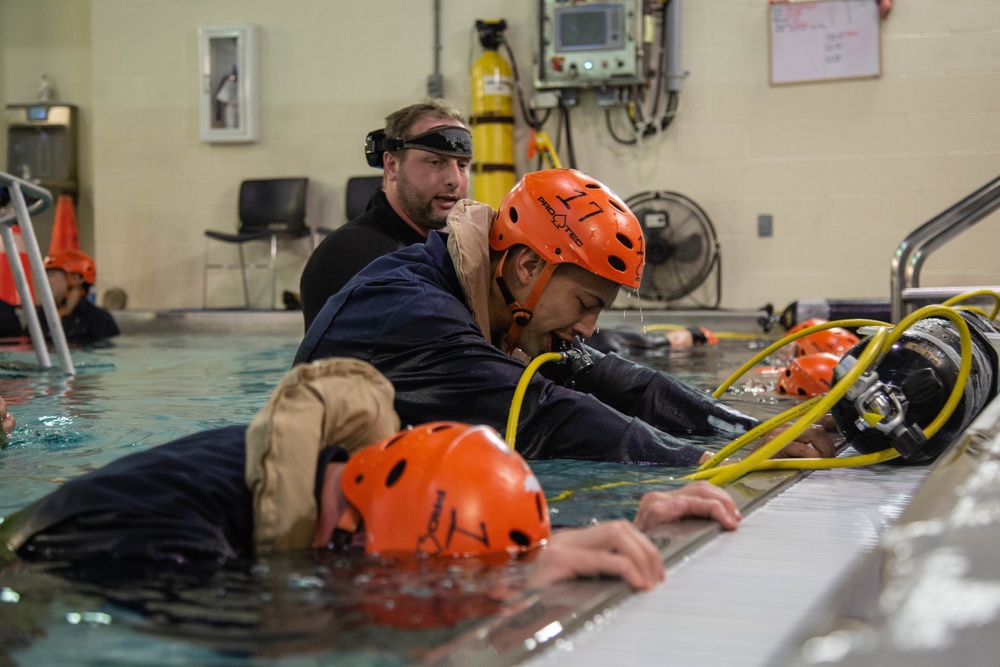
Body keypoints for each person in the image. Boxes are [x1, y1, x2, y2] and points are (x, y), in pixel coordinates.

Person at [0, 359, 741, 594]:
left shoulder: (325, 478)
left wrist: (608, 522)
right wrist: (500, 583)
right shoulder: (163, 536)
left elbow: (428, 522)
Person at [296, 169, 836, 466]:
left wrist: (750, 431)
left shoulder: (499, 298)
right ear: (529, 264)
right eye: (586, 305)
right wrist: (703, 462)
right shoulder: (415, 307)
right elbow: (546, 413)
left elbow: (625, 385)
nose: (590, 329)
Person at [299, 99, 472, 330]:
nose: (454, 180)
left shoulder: (432, 252)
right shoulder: (357, 253)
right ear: (391, 166)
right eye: (435, 162)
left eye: (462, 165)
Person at [35, 249, 119, 342]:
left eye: (51, 274)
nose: (45, 281)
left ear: (75, 278)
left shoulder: (99, 320)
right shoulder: (41, 316)